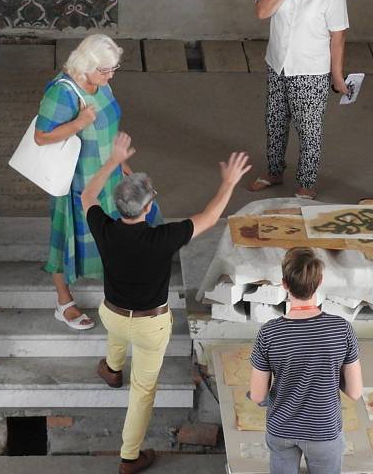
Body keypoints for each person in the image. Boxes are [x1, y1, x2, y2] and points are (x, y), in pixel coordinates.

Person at [82, 132, 251, 474]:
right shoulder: (163, 238)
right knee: (142, 392)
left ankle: (113, 370)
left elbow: (87, 194)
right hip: (149, 325)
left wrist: (113, 162)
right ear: (148, 207)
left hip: (112, 312)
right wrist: (229, 182)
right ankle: (129, 457)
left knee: (116, 331)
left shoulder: (103, 227)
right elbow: (210, 215)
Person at [34, 34, 162, 330]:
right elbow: (41, 137)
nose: (111, 75)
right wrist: (78, 123)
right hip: (77, 182)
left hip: (109, 175)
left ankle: (115, 293)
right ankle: (64, 302)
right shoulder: (62, 93)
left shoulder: (102, 83)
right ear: (86, 65)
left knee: (114, 237)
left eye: (114, 68)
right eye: (105, 70)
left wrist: (124, 166)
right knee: (67, 238)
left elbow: (107, 130)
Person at [249, 0, 349, 200]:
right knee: (275, 120)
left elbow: (338, 36)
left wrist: (337, 76)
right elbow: (261, 11)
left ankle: (307, 183)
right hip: (278, 63)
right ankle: (273, 171)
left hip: (311, 69)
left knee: (309, 127)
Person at [249, 247, 363, 474]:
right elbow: (355, 392)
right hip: (324, 431)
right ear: (319, 282)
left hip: (281, 429)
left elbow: (257, 396)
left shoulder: (269, 333)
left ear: (284, 284)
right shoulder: (341, 330)